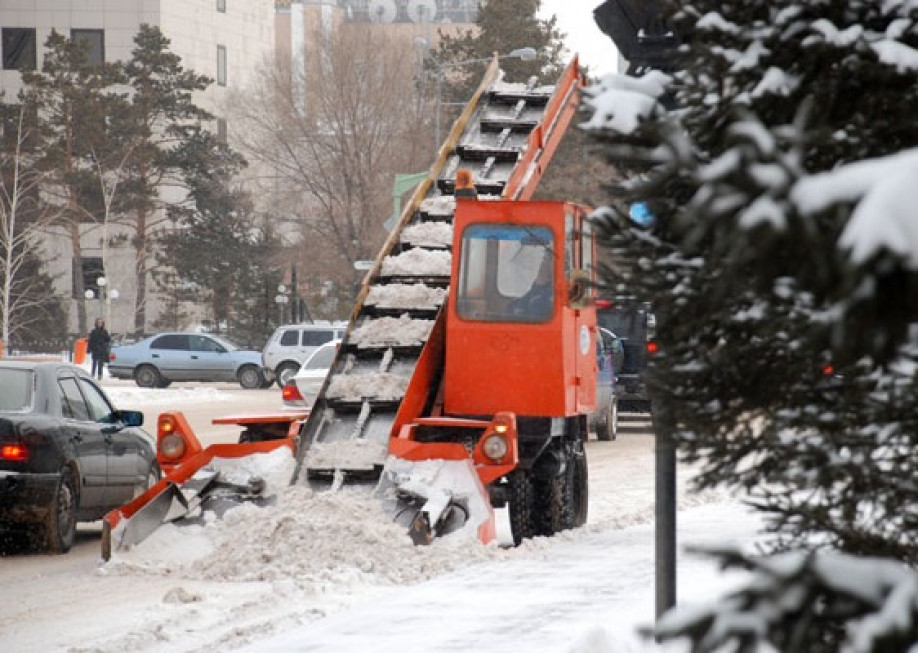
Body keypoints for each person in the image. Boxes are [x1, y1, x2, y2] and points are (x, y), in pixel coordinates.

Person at [511, 252, 554, 320]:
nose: (543, 264)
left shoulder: (553, 296)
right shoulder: (536, 290)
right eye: (544, 259)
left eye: (548, 260)